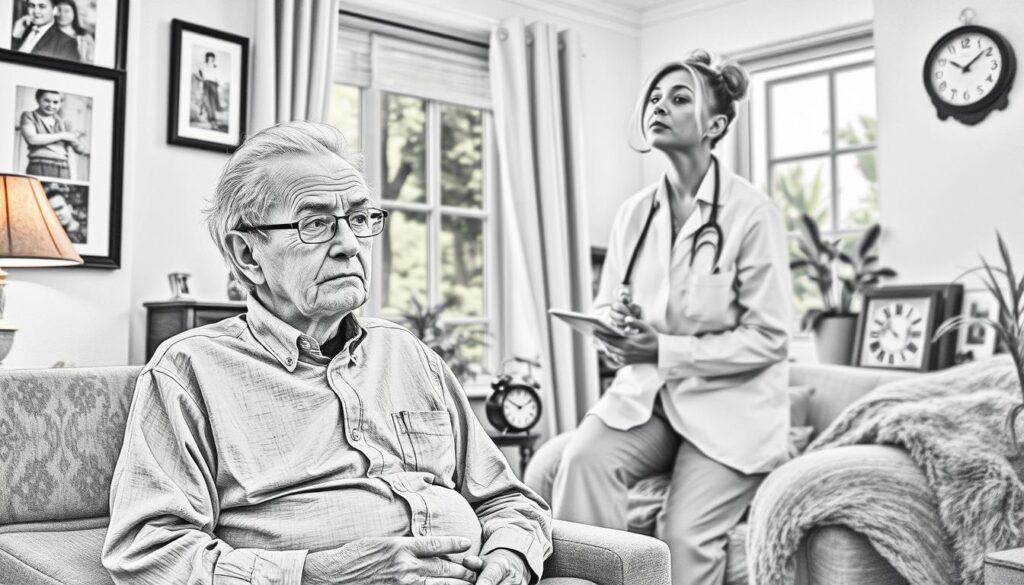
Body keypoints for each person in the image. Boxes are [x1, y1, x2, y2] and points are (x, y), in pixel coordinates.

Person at [102, 121, 551, 585]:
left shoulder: (407, 354)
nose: (350, 245)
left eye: (360, 218)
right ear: (247, 256)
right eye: (315, 223)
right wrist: (321, 575)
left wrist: (511, 559)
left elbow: (505, 499)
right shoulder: (190, 370)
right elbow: (148, 551)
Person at [549, 50, 793, 585]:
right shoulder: (634, 213)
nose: (659, 106)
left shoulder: (752, 214)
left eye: (679, 98)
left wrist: (662, 349)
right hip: (649, 397)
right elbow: (608, 301)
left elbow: (771, 339)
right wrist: (616, 331)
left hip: (730, 413)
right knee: (583, 461)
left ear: (716, 124)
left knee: (681, 537)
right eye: (655, 97)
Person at [19, 89, 87, 180]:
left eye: (55, 102)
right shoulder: (28, 115)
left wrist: (73, 139)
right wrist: (63, 135)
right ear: (38, 99)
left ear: (60, 103)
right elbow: (32, 139)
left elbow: (81, 150)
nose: (51, 105)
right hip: (38, 165)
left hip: (63, 168)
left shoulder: (64, 122)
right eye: (46, 101)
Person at [13, 0, 79, 61]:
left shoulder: (67, 43)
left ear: (54, 10)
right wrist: (16, 36)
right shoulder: (23, 30)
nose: (36, 11)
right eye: (32, 6)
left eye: (42, 6)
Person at [196, 51, 223, 125]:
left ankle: (213, 118)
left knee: (213, 101)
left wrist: (219, 85)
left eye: (211, 58)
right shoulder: (202, 66)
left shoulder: (216, 67)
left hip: (214, 84)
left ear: (213, 59)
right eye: (208, 58)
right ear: (206, 58)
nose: (210, 60)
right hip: (206, 83)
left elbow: (218, 77)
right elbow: (196, 74)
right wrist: (201, 79)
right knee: (206, 100)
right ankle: (210, 117)